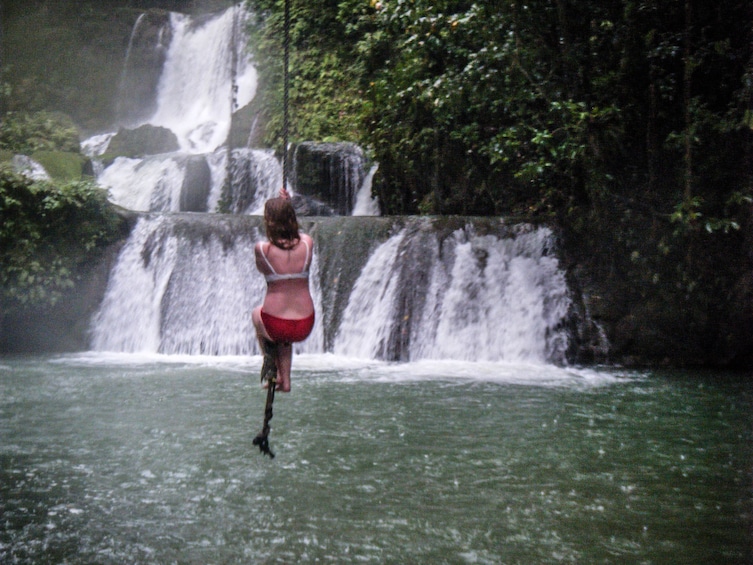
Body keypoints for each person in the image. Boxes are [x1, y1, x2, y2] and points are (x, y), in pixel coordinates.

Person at [252, 189, 315, 392]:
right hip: (304, 324)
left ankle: (273, 367)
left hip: (276, 325)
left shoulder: (262, 249)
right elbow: (299, 235)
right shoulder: (307, 243)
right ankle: (285, 381)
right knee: (285, 339)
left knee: (256, 314)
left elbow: (262, 269)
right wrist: (286, 206)